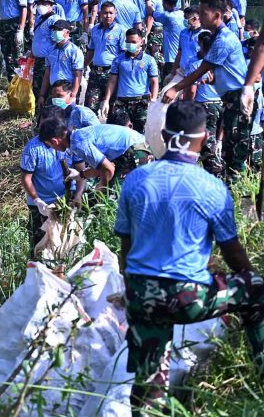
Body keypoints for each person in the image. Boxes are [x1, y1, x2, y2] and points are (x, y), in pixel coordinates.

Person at [115, 100, 264, 414]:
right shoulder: (211, 187)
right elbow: (233, 253)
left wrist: (132, 291)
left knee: (149, 386)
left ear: (165, 134)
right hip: (189, 297)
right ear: (205, 137)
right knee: (257, 290)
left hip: (143, 295)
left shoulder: (135, 181)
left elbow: (125, 251)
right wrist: (247, 276)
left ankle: (151, 403)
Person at [163, 0, 255, 179]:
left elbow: (200, 70)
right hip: (229, 97)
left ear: (217, 15)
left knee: (235, 150)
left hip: (238, 99)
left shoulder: (223, 39)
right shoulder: (215, 37)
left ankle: (239, 197)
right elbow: (219, 71)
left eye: (204, 13)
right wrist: (214, 80)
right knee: (231, 147)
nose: (200, 17)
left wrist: (175, 89)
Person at [43, 119, 147, 188]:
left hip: (136, 152)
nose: (53, 148)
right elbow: (102, 168)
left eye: (50, 145)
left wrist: (101, 189)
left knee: (118, 198)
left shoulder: (78, 143)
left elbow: (108, 168)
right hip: (136, 149)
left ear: (54, 141)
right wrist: (80, 175)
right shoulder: (77, 135)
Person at [21, 115, 70, 248]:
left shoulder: (66, 143)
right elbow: (26, 178)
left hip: (61, 201)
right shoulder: (33, 149)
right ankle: (36, 267)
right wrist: (37, 200)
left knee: (62, 242)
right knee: (39, 243)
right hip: (40, 205)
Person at [101, 29, 159, 133]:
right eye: (128, 42)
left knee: (140, 133)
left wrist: (153, 101)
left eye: (133, 42)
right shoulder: (118, 60)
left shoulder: (149, 60)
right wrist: (106, 100)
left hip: (141, 102)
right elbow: (112, 81)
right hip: (122, 102)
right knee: (120, 132)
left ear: (141, 42)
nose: (130, 44)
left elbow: (154, 81)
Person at [185, 31, 225, 176]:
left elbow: (191, 91)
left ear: (202, 45)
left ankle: (214, 175)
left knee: (205, 145)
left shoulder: (197, 65)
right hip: (223, 104)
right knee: (219, 142)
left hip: (206, 106)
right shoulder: (222, 63)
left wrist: (187, 107)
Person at [84, 1, 126, 113]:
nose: (108, 16)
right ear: (100, 14)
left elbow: (123, 54)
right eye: (105, 13)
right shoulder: (95, 30)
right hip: (95, 73)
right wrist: (83, 66)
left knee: (112, 110)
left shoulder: (120, 30)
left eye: (111, 13)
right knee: (90, 109)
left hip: (112, 74)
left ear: (115, 14)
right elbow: (91, 51)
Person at [38, 19, 84, 107]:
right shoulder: (50, 50)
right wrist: (42, 95)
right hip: (54, 90)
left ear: (67, 32)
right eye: (54, 30)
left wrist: (73, 95)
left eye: (58, 30)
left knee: (67, 118)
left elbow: (78, 75)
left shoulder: (74, 51)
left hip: (67, 91)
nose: (55, 32)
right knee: (52, 117)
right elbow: (47, 74)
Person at [29, 0, 63, 101]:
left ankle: (46, 114)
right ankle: (38, 115)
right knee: (37, 88)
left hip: (48, 60)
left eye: (44, 3)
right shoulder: (39, 18)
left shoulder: (54, 19)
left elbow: (58, 40)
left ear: (51, 5)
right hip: (38, 60)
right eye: (39, 3)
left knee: (46, 90)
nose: (40, 6)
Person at [0, 0, 28, 79]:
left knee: (18, 56)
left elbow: (23, 9)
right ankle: (11, 82)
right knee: (7, 54)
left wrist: (20, 29)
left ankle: (21, 82)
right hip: (4, 24)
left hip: (15, 23)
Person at [163, 6, 203, 90]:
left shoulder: (204, 34)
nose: (185, 21)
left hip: (197, 73)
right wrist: (172, 73)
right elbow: (180, 53)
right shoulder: (183, 33)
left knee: (191, 97)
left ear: (195, 18)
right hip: (182, 72)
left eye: (187, 18)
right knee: (166, 92)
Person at [150, 0, 186, 78]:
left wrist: (148, 2)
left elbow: (152, 13)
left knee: (168, 81)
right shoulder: (182, 14)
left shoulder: (167, 16)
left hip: (171, 57)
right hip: (182, 55)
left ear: (165, 3)